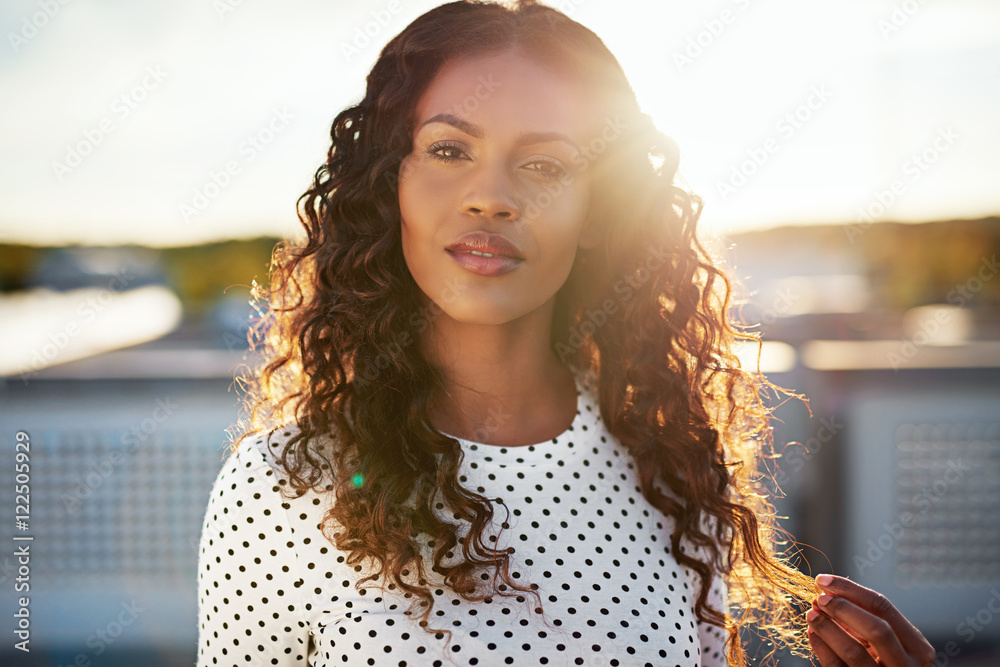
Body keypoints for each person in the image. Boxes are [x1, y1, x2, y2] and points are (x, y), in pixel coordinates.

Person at [195, 1, 937, 665]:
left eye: (545, 164)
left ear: (597, 213)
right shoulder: (279, 489)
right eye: (450, 150)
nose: (491, 196)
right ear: (393, 184)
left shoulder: (674, 476)